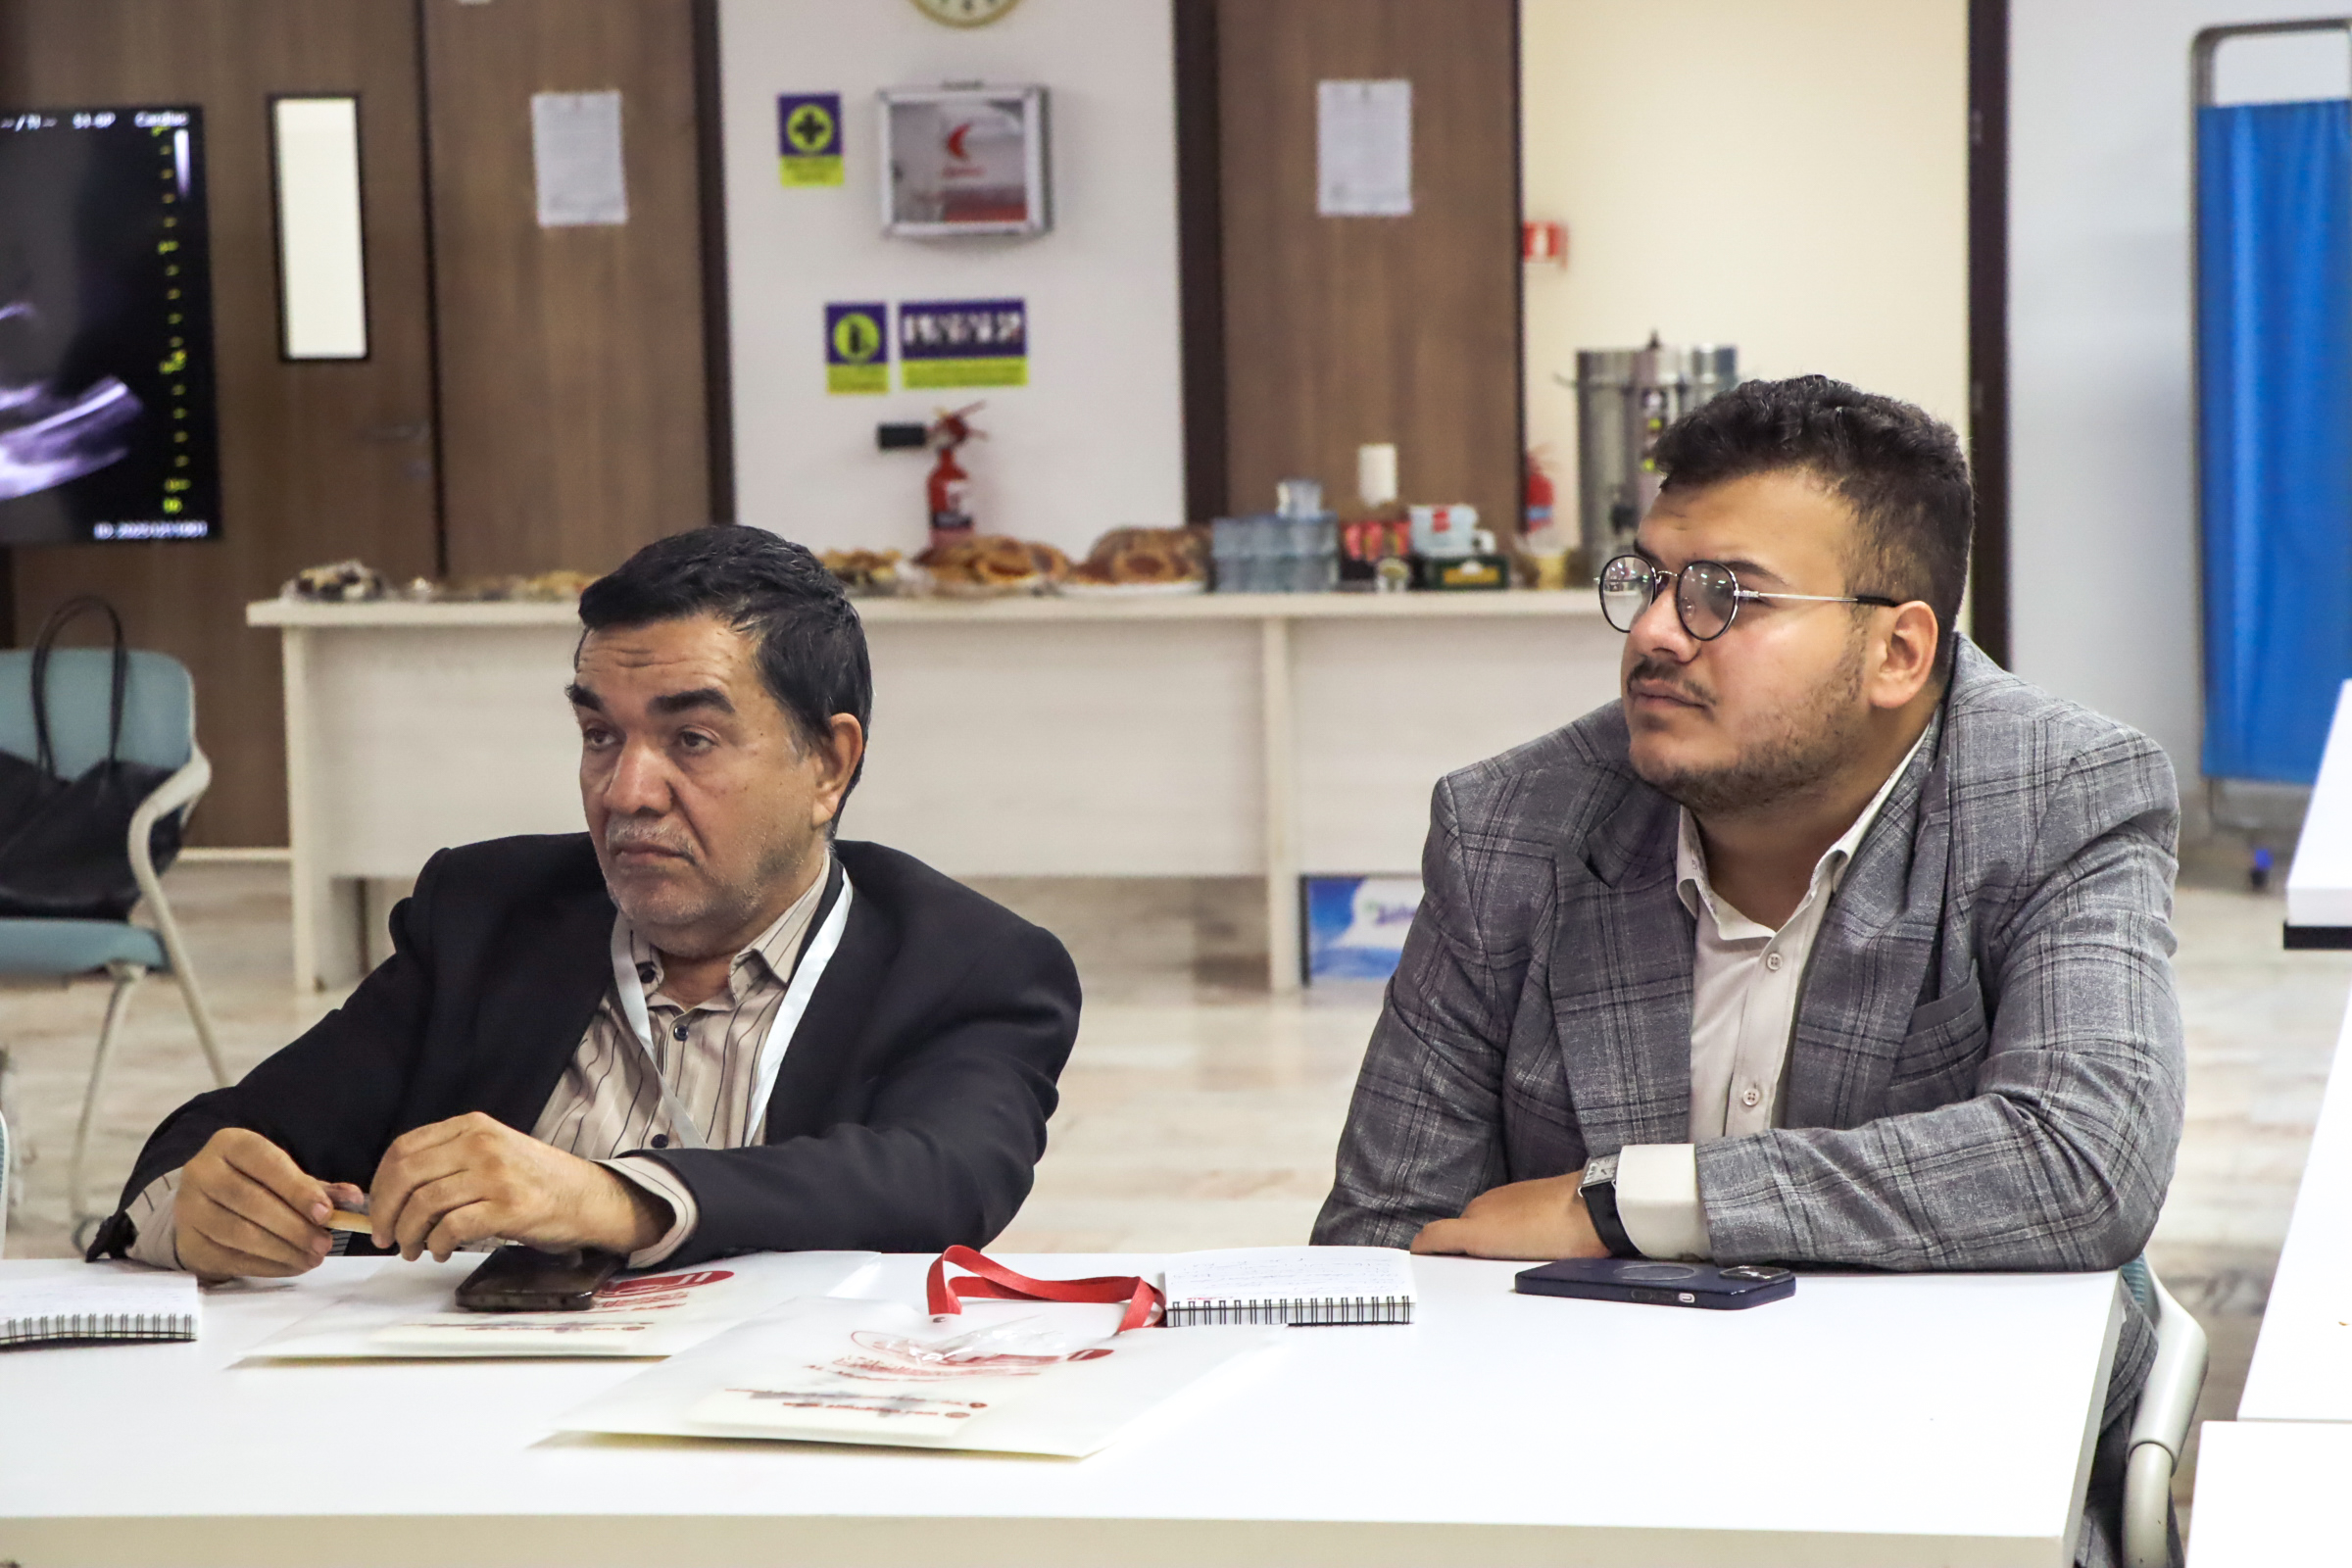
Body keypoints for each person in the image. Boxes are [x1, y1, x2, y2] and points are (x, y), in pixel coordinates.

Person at [1313, 376, 2184, 1567]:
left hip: (1941, 1470)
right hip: (1580, 1466)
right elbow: (1380, 1240)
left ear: (1897, 649)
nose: (1657, 632)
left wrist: (1621, 1204)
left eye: (1728, 594)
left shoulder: (2056, 794)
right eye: (1650, 579)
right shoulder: (1510, 826)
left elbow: (2081, 1160)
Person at [90, 527, 1080, 1277]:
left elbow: (941, 1176)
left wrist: (613, 1198)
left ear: (830, 763)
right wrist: (204, 1210)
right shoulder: (488, 917)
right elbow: (216, 1141)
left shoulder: (965, 963)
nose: (627, 790)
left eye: (691, 741)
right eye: (601, 736)